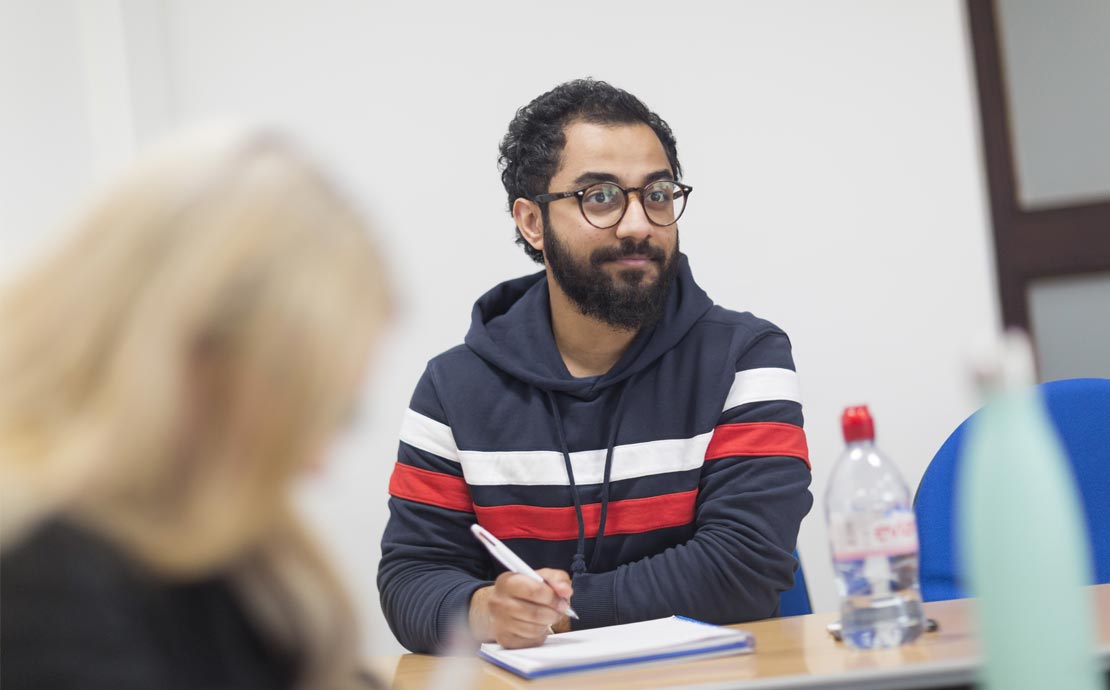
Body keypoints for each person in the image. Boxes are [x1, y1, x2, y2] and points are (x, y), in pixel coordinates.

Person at [378, 79, 812, 654]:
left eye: (656, 193)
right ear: (532, 222)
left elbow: (743, 567)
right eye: (600, 197)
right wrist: (486, 609)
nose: (638, 224)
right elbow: (411, 580)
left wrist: (560, 614)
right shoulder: (453, 389)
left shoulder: (745, 358)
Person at [0, 128, 391, 689]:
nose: (314, 463)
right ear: (184, 362)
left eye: (338, 417)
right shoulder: (42, 585)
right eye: (303, 411)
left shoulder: (223, 548)